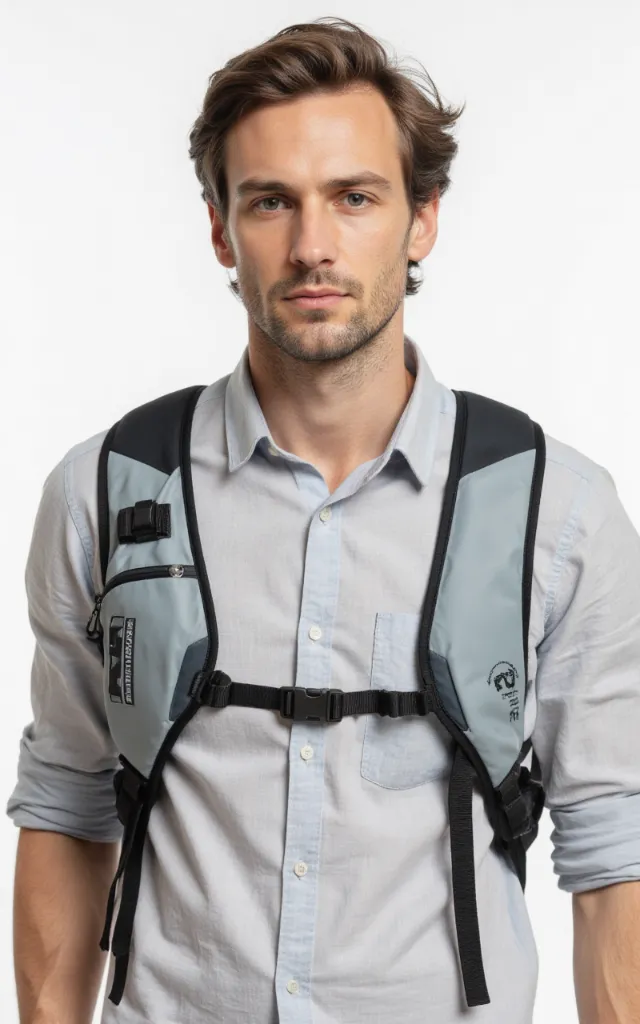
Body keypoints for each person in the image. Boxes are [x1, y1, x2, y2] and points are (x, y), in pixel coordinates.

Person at [7, 15, 640, 1024]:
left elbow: (614, 854)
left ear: (421, 217)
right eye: (269, 201)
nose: (312, 246)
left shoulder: (553, 511)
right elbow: (67, 802)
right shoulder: (107, 491)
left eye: (354, 198)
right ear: (219, 227)